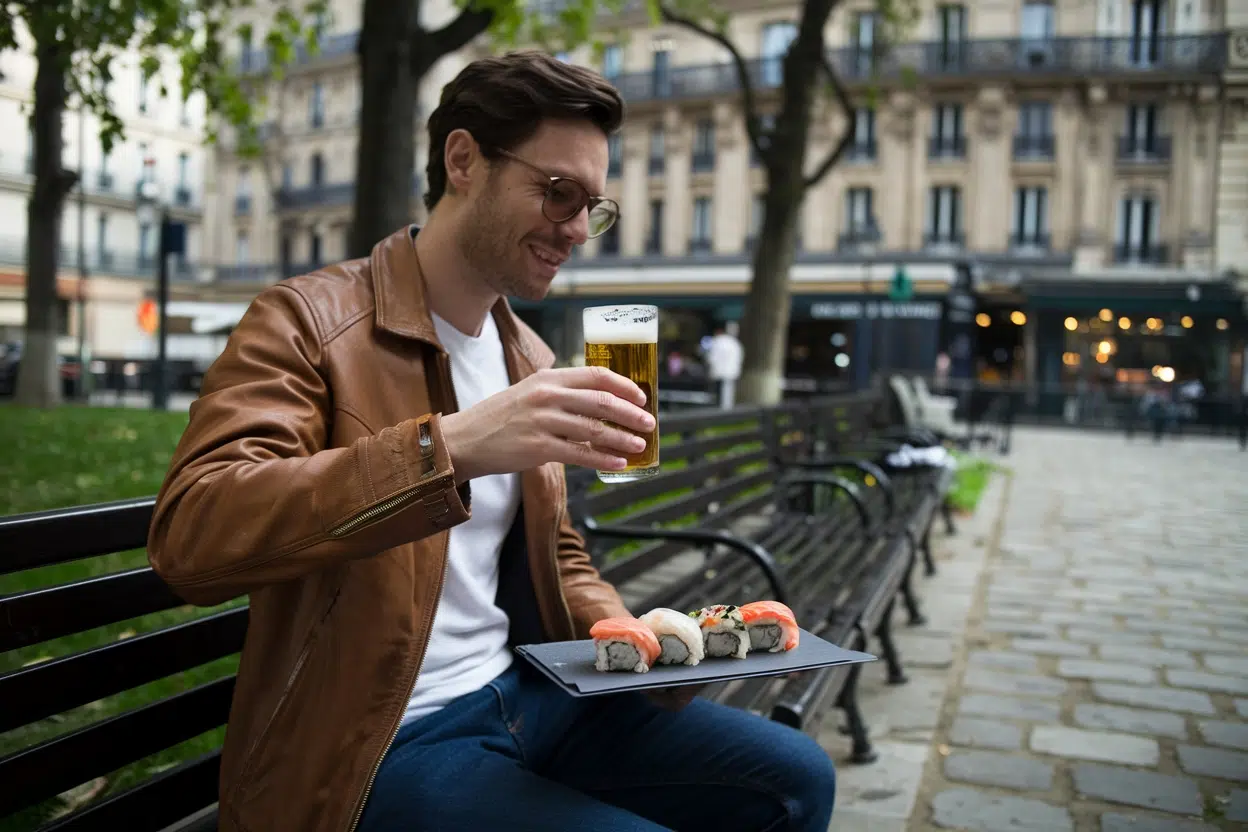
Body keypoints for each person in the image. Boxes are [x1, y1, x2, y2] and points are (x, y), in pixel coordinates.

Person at [147, 51, 836, 832]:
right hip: (380, 739)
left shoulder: (527, 354)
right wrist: (453, 446)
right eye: (558, 193)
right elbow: (192, 534)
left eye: (593, 207)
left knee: (797, 779)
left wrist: (622, 631)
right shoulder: (307, 320)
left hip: (529, 696)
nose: (578, 229)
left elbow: (558, 548)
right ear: (464, 160)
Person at [706, 322, 744, 409]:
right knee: (727, 397)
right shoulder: (735, 343)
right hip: (730, 374)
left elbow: (711, 358)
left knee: (719, 398)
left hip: (719, 374)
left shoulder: (719, 341)